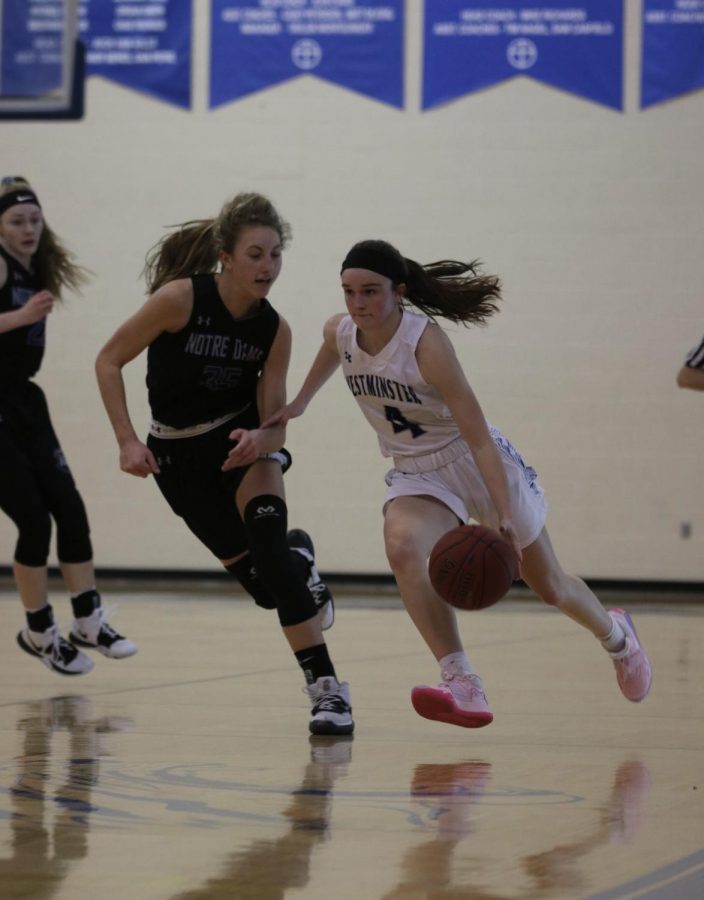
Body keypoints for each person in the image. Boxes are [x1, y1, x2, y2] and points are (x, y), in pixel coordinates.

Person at [264, 238, 652, 729]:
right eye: (349, 292)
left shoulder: (425, 344)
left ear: (399, 291)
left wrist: (505, 512)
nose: (358, 304)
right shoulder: (341, 332)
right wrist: (300, 402)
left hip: (475, 460)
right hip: (416, 470)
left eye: (370, 292)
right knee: (403, 547)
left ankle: (618, 637)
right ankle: (462, 681)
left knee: (550, 586)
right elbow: (330, 351)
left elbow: (478, 436)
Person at [94, 191, 352, 735]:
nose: (268, 266)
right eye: (256, 254)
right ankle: (301, 556)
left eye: (276, 254)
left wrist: (262, 439)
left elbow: (275, 413)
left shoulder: (274, 329)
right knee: (266, 589)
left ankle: (328, 693)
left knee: (272, 565)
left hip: (241, 451)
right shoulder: (179, 300)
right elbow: (108, 359)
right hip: (175, 459)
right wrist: (125, 441)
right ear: (226, 257)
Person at [0, 176, 137, 676]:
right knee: (34, 520)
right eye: (17, 221)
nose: (29, 228)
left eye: (34, 219)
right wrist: (19, 317)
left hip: (23, 399)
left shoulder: (35, 265)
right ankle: (39, 630)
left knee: (70, 508)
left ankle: (88, 620)